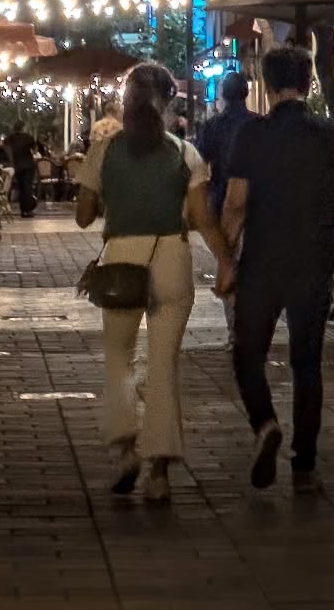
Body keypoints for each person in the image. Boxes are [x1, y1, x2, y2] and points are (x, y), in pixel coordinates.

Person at [75, 60, 231, 506]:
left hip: (122, 258)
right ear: (169, 105)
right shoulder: (185, 154)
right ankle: (159, 471)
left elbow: (84, 216)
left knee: (118, 358)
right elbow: (202, 219)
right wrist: (226, 262)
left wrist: (109, 194)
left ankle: (124, 448)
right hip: (171, 257)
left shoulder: (104, 151)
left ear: (125, 103)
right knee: (164, 364)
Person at [222, 44, 334, 492]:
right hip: (315, 258)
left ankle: (265, 424)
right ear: (308, 81)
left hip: (263, 259)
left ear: (266, 83)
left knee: (248, 354)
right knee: (307, 360)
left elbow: (236, 204)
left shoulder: (251, 135)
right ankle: (305, 459)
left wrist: (226, 258)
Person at [195, 73, 258, 222]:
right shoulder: (260, 124)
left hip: (221, 198)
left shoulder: (212, 126)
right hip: (256, 201)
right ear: (246, 93)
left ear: (223, 94)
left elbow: (200, 166)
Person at [4, 122, 40, 216]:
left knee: (21, 188)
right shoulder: (29, 137)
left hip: (17, 165)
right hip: (28, 164)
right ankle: (28, 210)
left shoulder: (10, 138)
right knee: (27, 187)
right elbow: (35, 150)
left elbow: (5, 147)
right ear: (23, 128)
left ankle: (22, 210)